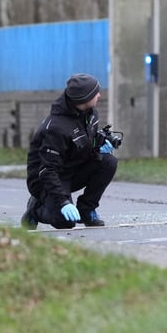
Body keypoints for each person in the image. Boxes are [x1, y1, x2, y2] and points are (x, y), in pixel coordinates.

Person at [21, 73, 118, 230]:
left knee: (108, 162)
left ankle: (87, 210)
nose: (99, 95)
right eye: (95, 93)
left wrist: (98, 149)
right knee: (64, 222)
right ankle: (35, 210)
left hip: (71, 169)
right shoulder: (56, 128)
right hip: (46, 179)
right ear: (84, 98)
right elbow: (47, 170)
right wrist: (63, 202)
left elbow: (83, 147)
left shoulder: (91, 114)